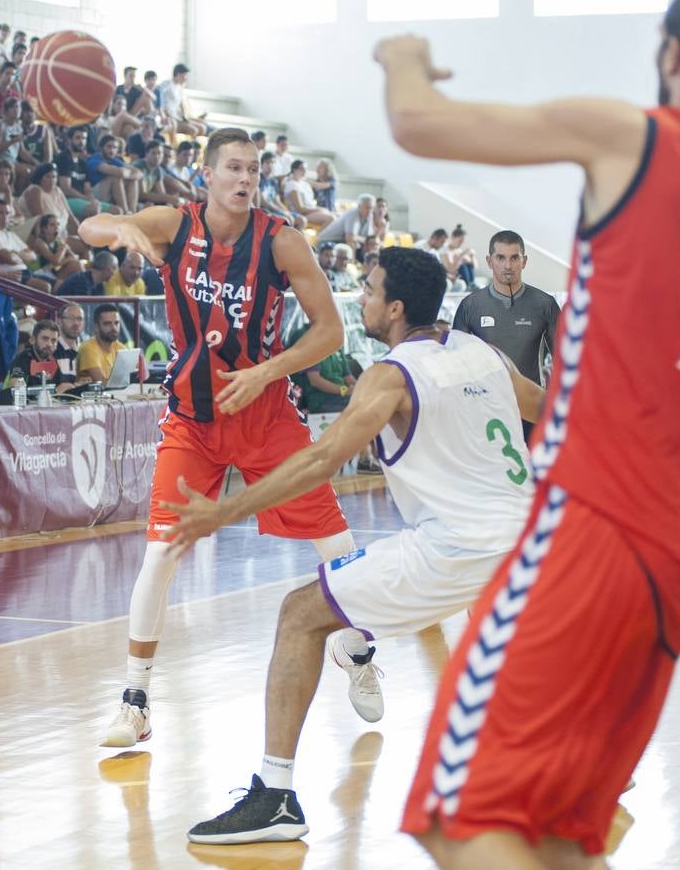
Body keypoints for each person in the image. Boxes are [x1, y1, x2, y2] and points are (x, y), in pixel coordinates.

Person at [368, 0, 680, 866]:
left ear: (669, 52)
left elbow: (418, 126)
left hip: (602, 511)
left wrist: (400, 58)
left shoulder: (630, 135)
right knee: (560, 817)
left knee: (458, 810)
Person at [167, 248, 543, 844]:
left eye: (369, 291)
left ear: (394, 309)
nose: (363, 299)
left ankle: (276, 797)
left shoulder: (390, 376)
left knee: (300, 614)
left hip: (457, 548)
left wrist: (225, 510)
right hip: (528, 543)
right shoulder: (484, 352)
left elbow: (322, 457)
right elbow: (547, 409)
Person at [80, 127, 356, 747]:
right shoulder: (173, 225)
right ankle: (134, 700)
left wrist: (266, 369)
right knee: (160, 552)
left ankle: (358, 654)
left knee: (337, 544)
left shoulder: (280, 240)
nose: (245, 180)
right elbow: (89, 227)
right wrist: (120, 228)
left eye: (253, 170)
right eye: (233, 168)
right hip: (193, 418)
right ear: (206, 175)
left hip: (265, 417)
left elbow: (331, 331)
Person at [451, 229, 561, 395]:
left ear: (524, 261)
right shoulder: (470, 306)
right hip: (487, 411)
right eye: (500, 258)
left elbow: (565, 361)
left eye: (514, 258)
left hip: (531, 412)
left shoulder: (545, 304)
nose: (508, 266)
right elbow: (457, 365)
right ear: (489, 261)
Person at [6, 319, 76, 393]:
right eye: (45, 339)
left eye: (53, 340)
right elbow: (16, 388)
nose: (49, 344)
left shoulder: (52, 360)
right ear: (32, 340)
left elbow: (61, 386)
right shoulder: (23, 359)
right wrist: (54, 392)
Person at [284, 159, 335, 228]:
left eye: (305, 169)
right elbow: (300, 209)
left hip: (310, 211)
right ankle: (319, 237)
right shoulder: (292, 185)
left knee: (336, 217)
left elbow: (310, 204)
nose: (304, 171)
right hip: (302, 214)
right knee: (331, 218)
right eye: (301, 169)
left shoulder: (305, 184)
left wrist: (321, 209)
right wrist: (319, 209)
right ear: (294, 170)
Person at [55, 303, 85, 380]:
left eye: (79, 319)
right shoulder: (52, 348)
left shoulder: (85, 348)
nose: (76, 323)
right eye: (71, 318)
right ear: (59, 321)